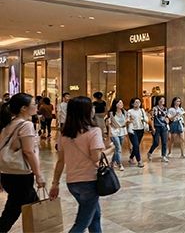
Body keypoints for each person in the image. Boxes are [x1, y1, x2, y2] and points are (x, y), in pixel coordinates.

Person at [50, 96, 112, 233]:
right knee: (81, 224)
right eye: (92, 107)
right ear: (86, 111)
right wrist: (111, 149)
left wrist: (55, 183)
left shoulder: (64, 134)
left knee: (95, 216)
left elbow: (60, 161)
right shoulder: (93, 131)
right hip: (89, 181)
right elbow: (95, 157)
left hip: (72, 182)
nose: (94, 109)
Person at [0, 93, 46, 232]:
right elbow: (28, 152)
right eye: (33, 104)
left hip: (7, 173)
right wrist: (38, 175)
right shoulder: (26, 125)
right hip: (21, 175)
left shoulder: (8, 124)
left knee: (34, 204)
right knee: (12, 211)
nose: (36, 106)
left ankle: (40, 229)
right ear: (23, 108)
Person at [105, 99, 127, 171]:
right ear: (116, 104)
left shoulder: (124, 112)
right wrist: (109, 133)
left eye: (122, 102)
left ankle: (112, 162)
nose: (121, 104)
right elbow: (108, 123)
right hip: (114, 132)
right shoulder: (111, 113)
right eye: (119, 102)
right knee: (118, 148)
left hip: (122, 131)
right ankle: (119, 164)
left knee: (117, 149)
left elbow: (126, 121)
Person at [126, 98, 148, 168]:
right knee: (136, 145)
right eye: (136, 102)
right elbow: (127, 120)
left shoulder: (142, 110)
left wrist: (144, 119)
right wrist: (129, 120)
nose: (138, 104)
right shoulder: (129, 111)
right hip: (132, 130)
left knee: (136, 145)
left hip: (140, 129)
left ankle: (131, 157)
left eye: (139, 102)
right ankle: (139, 161)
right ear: (132, 104)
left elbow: (146, 119)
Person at [147, 96, 169, 163]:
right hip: (157, 127)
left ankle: (163, 156)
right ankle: (150, 152)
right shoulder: (155, 108)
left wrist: (167, 121)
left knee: (164, 142)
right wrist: (153, 128)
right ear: (158, 101)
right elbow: (152, 119)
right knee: (156, 142)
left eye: (164, 99)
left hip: (164, 127)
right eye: (161, 100)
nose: (163, 101)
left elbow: (167, 117)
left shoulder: (165, 109)